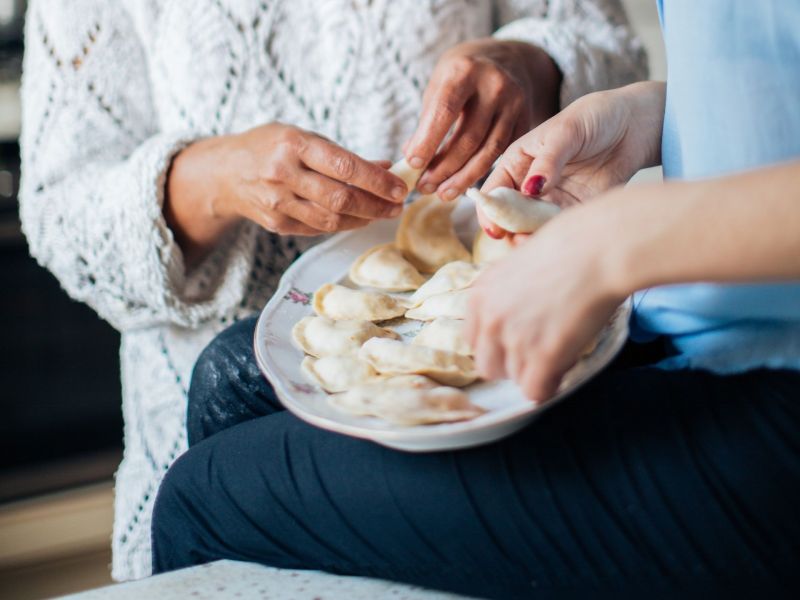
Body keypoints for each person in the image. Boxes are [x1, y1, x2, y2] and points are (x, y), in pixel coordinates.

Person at [150, 0, 800, 597]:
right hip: (695, 313)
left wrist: (617, 241)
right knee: (230, 378)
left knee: (201, 498)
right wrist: (654, 115)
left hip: (774, 387)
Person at [18, 0, 644, 581]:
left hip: (503, 390)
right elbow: (59, 216)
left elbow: (613, 53)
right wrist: (214, 181)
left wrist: (534, 65)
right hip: (207, 419)